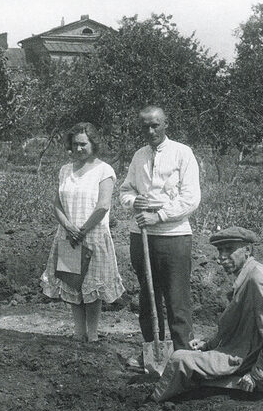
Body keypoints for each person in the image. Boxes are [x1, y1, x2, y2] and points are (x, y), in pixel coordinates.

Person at [148, 226, 263, 403]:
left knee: (180, 359)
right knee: (187, 357)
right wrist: (208, 344)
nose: (221, 257)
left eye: (229, 249)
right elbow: (237, 327)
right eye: (219, 250)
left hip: (248, 361)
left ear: (247, 250)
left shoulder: (260, 280)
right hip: (243, 353)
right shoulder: (249, 276)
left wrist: (257, 376)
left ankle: (152, 404)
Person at [118, 105, 201, 365]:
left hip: (174, 235)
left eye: (155, 125)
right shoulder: (139, 156)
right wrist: (134, 203)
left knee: (177, 298)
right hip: (141, 235)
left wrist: (160, 215)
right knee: (148, 296)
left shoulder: (182, 153)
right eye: (145, 126)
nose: (150, 130)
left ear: (166, 124)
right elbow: (125, 192)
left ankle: (183, 356)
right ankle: (152, 352)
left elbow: (191, 199)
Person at [40, 122, 125, 341]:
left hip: (93, 235)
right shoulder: (65, 170)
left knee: (92, 289)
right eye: (75, 144)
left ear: (93, 144)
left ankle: (93, 333)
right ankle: (79, 332)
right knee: (71, 283)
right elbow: (57, 203)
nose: (79, 149)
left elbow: (103, 205)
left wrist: (83, 230)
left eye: (83, 144)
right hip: (68, 235)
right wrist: (68, 227)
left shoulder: (104, 170)